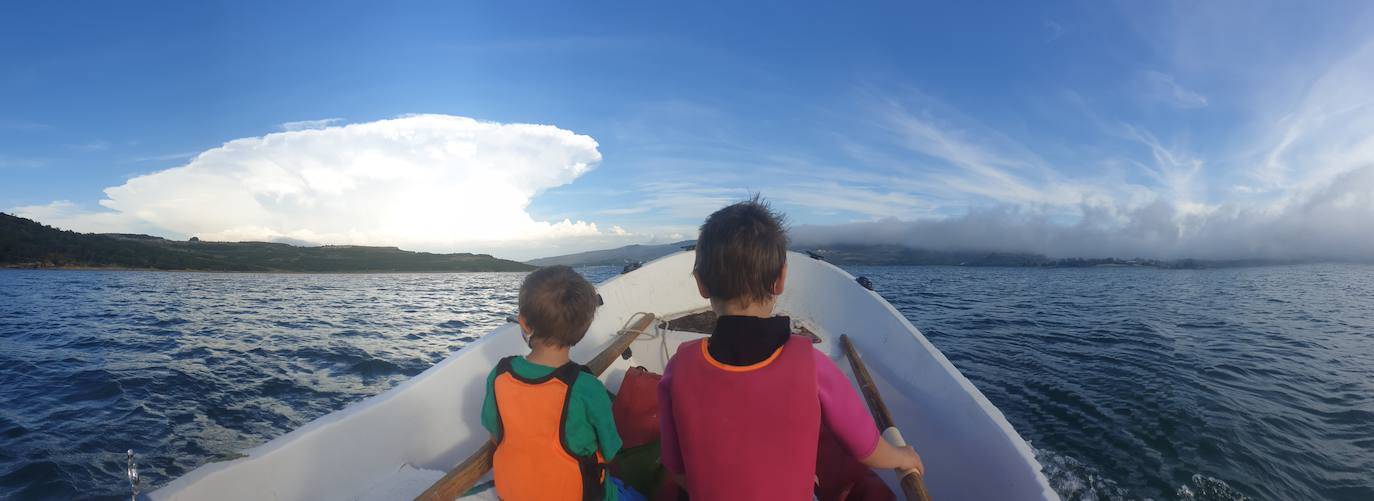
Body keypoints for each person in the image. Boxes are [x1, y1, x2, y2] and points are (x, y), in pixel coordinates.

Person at [658, 197, 924, 500]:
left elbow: (677, 470)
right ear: (781, 280)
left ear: (701, 284)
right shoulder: (812, 365)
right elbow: (867, 450)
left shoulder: (677, 368)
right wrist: (903, 457)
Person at [481, 265, 641, 501]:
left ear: (523, 323)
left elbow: (494, 431)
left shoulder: (500, 374)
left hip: (513, 492)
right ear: (583, 330)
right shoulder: (587, 388)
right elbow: (610, 449)